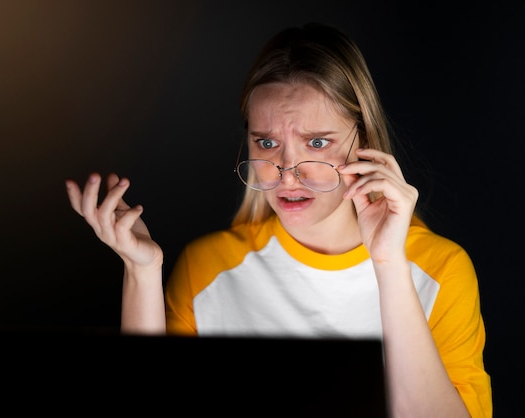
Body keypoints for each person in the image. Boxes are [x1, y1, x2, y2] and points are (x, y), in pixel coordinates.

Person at [65, 22, 492, 418]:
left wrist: (388, 264)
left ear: (362, 141)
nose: (288, 170)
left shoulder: (440, 270)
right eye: (267, 142)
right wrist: (141, 272)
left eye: (317, 142)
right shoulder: (208, 267)